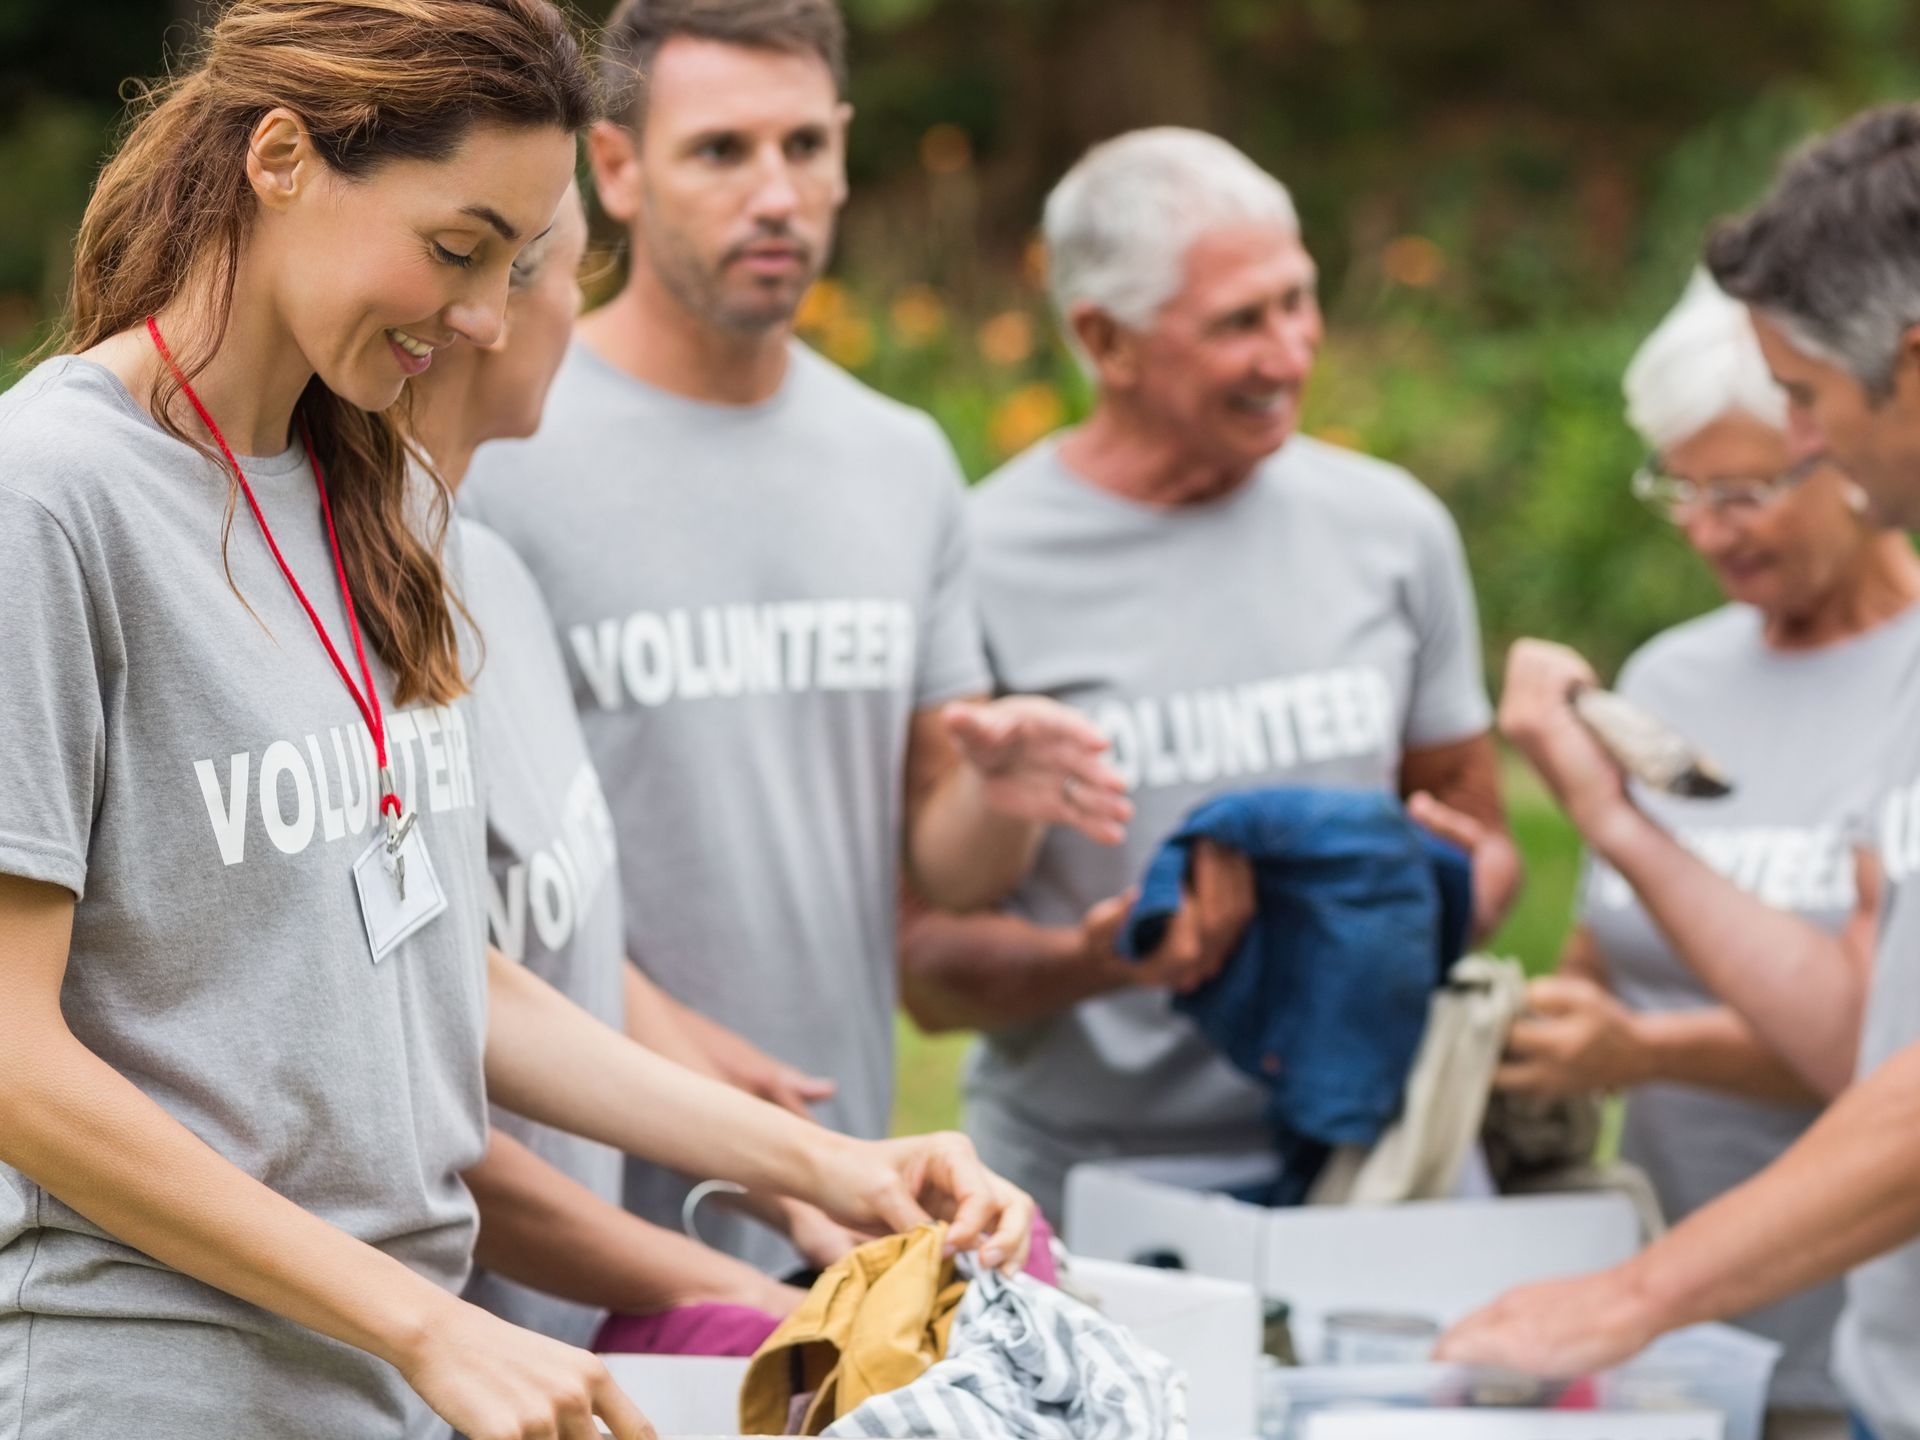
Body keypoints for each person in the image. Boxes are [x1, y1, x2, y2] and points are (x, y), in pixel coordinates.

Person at [0, 6, 1033, 1437]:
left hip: (384, 1386)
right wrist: (428, 1322)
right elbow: (14, 1058)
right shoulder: (50, 499)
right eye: (457, 248)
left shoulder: (371, 498)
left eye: (516, 261)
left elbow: (442, 972)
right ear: (281, 160)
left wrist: (829, 1164)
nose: (487, 317)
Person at [459, 0, 1128, 1271]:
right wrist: (681, 1069)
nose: (776, 195)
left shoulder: (901, 460)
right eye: (722, 151)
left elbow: (948, 874)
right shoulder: (500, 439)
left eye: (805, 147)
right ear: (616, 168)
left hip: (850, 1196)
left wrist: (998, 798)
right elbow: (469, 895)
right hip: (572, 1213)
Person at [898, 128, 1523, 1224]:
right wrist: (1102, 958)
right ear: (1105, 339)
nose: (1291, 353)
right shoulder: (979, 557)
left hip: (1369, 1168)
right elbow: (928, 968)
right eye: (1241, 322)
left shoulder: (1392, 530)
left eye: (1298, 300)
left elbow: (1486, 843)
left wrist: (1434, 889)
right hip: (1083, 1187)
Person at [1437, 104, 1920, 1440]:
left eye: (1804, 404)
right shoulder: (1706, 675)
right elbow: (1881, 1042)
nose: (1809, 440)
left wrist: (1630, 1299)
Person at [412, 184, 822, 1354]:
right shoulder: (349, 619)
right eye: (577, 275)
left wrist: (799, 1183)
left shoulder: (492, 576)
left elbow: (559, 938)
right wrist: (753, 1294)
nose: (579, 319)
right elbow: (423, 1120)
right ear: (488, 304)